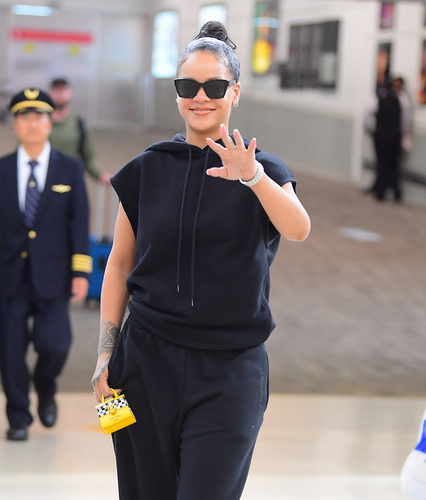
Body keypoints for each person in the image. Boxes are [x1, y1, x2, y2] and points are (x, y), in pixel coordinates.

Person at [92, 21, 310, 500]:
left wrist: (252, 177)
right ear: (176, 92)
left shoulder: (263, 169)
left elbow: (298, 228)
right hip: (142, 363)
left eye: (214, 86)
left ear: (235, 92)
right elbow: (120, 264)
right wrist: (106, 354)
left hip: (230, 371)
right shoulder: (147, 168)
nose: (200, 97)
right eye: (188, 86)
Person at [0, 88, 92, 441]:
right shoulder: (3, 169)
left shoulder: (70, 168)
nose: (32, 124)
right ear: (15, 124)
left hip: (55, 275)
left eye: (39, 117)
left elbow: (78, 223)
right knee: (10, 351)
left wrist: (81, 271)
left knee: (55, 345)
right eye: (24, 117)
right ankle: (18, 417)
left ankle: (46, 386)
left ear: (50, 123)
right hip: (9, 277)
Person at [49, 77, 111, 184]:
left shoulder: (79, 123)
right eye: (56, 89)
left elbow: (88, 157)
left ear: (71, 93)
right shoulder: (39, 123)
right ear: (50, 93)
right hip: (43, 180)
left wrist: (100, 174)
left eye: (63, 89)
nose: (60, 93)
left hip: (69, 181)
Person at [364, 77, 405, 202]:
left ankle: (381, 190)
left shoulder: (378, 100)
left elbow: (367, 114)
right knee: (393, 164)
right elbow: (405, 120)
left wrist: (368, 128)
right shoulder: (400, 100)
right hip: (394, 136)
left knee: (383, 163)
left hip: (382, 135)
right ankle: (393, 191)